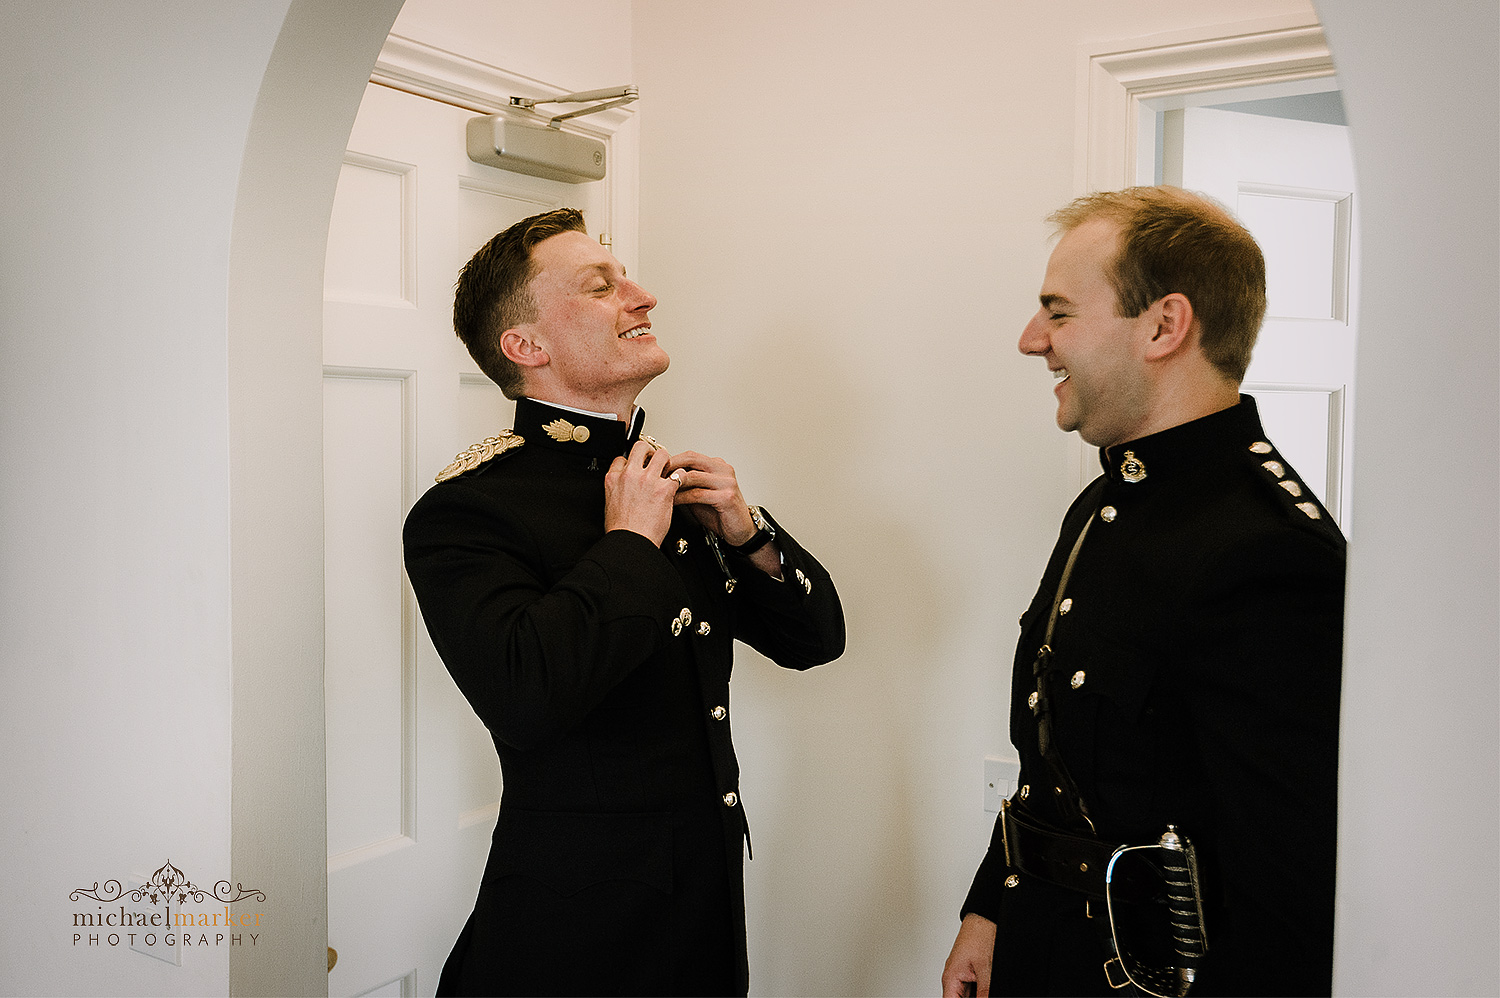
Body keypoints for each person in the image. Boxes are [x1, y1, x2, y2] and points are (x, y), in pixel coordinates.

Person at [404, 208, 845, 997]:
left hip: (703, 912)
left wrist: (747, 533)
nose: (642, 297)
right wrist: (629, 547)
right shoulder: (469, 511)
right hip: (572, 933)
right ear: (526, 347)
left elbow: (814, 640)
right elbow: (525, 696)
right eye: (601, 287)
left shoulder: (660, 481)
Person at [942, 187, 1345, 997]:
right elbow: (1052, 758)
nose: (1032, 341)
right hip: (1045, 946)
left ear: (1164, 325)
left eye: (1058, 312)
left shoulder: (1270, 549)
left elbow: (1291, 890)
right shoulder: (1106, 501)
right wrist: (991, 910)